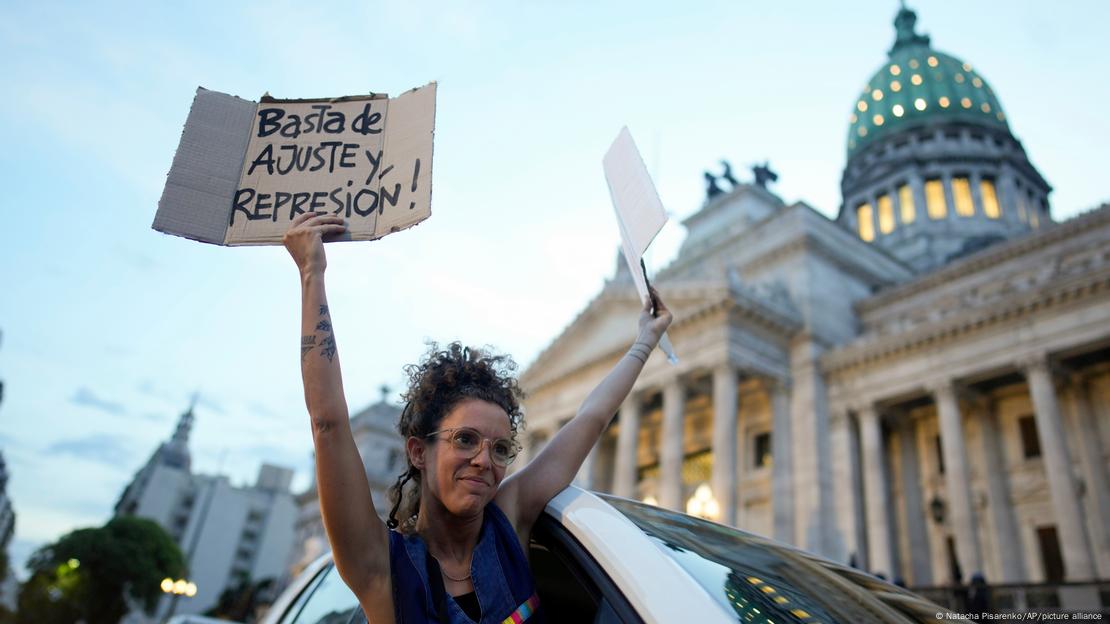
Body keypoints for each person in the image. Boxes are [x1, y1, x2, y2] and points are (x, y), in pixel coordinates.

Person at [282, 212, 673, 624]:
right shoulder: (381, 564)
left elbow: (591, 418)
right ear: (419, 451)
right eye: (465, 440)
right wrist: (312, 272)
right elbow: (328, 423)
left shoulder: (510, 523)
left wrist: (646, 339)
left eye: (500, 448)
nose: (484, 461)